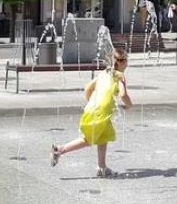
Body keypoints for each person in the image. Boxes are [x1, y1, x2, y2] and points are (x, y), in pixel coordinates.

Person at [50, 48, 133, 178]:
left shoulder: (104, 72)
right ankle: (60, 150)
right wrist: (129, 106)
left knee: (103, 137)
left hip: (93, 109)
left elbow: (88, 87)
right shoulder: (120, 76)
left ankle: (102, 167)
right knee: (88, 139)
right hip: (100, 113)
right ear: (123, 62)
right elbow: (123, 94)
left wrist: (91, 102)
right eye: (127, 60)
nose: (127, 63)